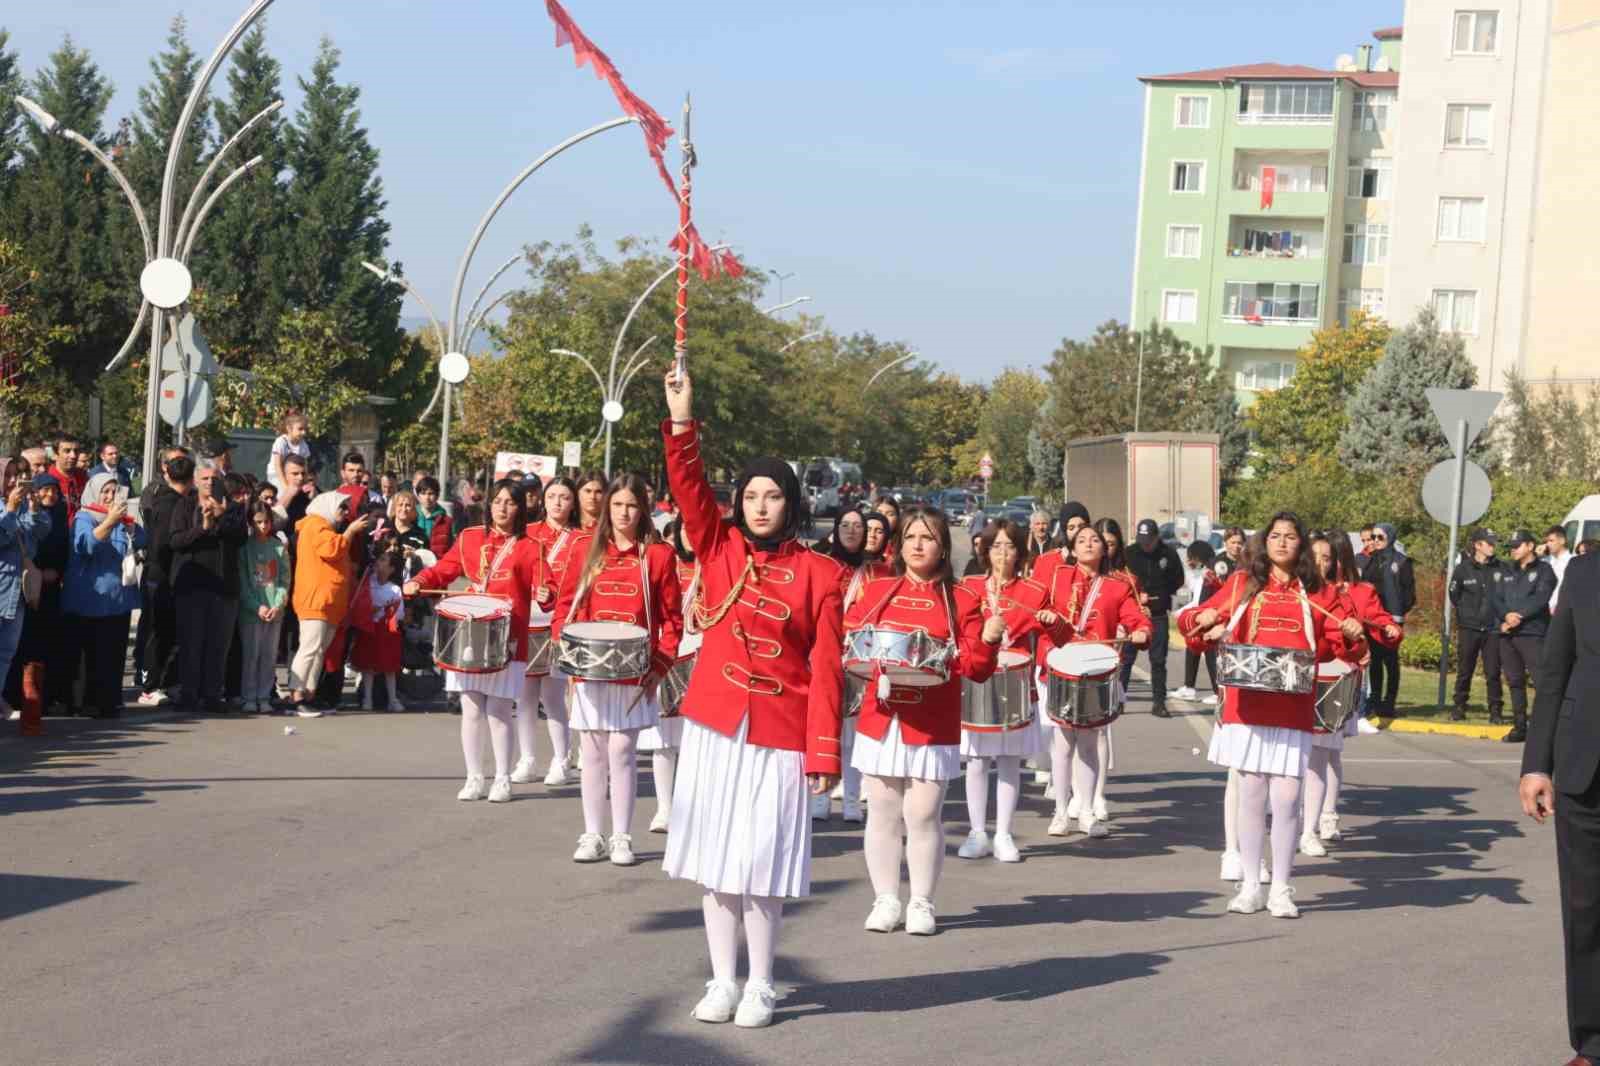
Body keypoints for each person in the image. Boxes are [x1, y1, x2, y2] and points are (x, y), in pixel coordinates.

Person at [660, 368, 845, 1029]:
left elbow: (827, 671)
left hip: (780, 732)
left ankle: (762, 984)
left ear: (792, 504)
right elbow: (687, 485)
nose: (760, 506)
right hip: (715, 725)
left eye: (773, 496)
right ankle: (721, 981)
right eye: (751, 495)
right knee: (716, 860)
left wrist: (824, 750)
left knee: (763, 862)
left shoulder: (821, 574)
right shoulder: (717, 545)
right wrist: (682, 415)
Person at [1178, 512, 1362, 919]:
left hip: (1294, 706)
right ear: (1265, 542)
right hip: (1248, 704)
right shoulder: (1243, 584)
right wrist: (1203, 618)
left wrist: (1350, 633)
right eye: (1275, 536)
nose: (1282, 542)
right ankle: (1250, 884)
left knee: (1288, 798)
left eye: (1290, 536)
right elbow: (1190, 623)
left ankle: (1281, 886)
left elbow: (1337, 648)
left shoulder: (1316, 591)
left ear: (1301, 545)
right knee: (1251, 796)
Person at [847, 506, 1001, 937]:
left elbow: (976, 668)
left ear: (942, 546)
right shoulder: (879, 590)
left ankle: (921, 901)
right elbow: (853, 642)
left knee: (923, 813)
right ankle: (885, 898)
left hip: (933, 720)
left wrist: (989, 639)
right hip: (882, 716)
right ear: (900, 544)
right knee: (881, 810)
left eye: (928, 538)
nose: (918, 545)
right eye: (911, 536)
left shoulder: (963, 599)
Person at [551, 473, 680, 863]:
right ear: (607, 506)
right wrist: (568, 646)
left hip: (634, 673)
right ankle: (592, 833)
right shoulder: (585, 548)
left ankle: (622, 836)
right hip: (590, 670)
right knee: (591, 753)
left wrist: (658, 667)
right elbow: (565, 609)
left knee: (623, 752)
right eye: (618, 504)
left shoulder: (657, 556)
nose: (624, 512)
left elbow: (671, 620)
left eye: (632, 505)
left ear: (643, 510)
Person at [407, 479, 554, 802]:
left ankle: (502, 777)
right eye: (498, 500)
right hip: (471, 631)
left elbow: (547, 587)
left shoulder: (532, 546)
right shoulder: (470, 538)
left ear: (520, 508)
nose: (503, 507)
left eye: (510, 502)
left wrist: (546, 595)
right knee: (471, 707)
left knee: (500, 710)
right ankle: (474, 776)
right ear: (489, 504)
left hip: (508, 635)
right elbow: (444, 570)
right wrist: (419, 580)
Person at [1517, 549, 1600, 1066]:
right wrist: (1536, 764)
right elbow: (1555, 671)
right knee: (1585, 911)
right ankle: (1593, 1044)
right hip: (1584, 769)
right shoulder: (1585, 571)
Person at [1037, 522, 1151, 838]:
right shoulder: (1058, 576)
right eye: (1081, 540)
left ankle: (1086, 810)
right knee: (1061, 745)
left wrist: (1141, 631)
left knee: (1088, 743)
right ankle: (1060, 811)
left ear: (1105, 549)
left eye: (1095, 540)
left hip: (1096, 670)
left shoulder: (1117, 586)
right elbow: (1038, 605)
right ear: (1072, 549)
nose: (1088, 543)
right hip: (1061, 666)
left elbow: (1135, 617)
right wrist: (1044, 616)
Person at [1300, 532, 1399, 857]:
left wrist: (1383, 629)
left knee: (1326, 752)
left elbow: (1378, 621)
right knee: (1305, 754)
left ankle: (1322, 818)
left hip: (1338, 677)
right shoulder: (1300, 589)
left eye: (1329, 557)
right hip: (1301, 676)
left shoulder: (1358, 590)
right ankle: (1304, 815)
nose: (1322, 562)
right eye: (1316, 555)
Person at [956, 518, 1045, 863]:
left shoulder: (1033, 592)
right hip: (979, 678)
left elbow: (1060, 634)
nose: (1003, 553)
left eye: (1010, 546)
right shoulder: (969, 586)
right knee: (977, 761)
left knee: (1010, 761)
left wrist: (1053, 622)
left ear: (1020, 552)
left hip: (1016, 679)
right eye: (996, 546)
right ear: (985, 550)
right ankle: (977, 831)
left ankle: (1004, 832)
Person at [61, 473, 145, 719]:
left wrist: (130, 526)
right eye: (105, 491)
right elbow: (87, 545)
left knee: (113, 655)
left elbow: (143, 538)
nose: (109, 496)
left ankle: (110, 701)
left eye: (113, 491)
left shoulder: (120, 518)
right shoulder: (84, 517)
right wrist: (109, 521)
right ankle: (85, 703)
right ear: (94, 492)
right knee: (91, 657)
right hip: (89, 601)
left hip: (118, 601)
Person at [519, 475, 581, 785]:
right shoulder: (528, 533)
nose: (557, 502)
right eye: (552, 495)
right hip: (527, 620)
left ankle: (561, 759)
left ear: (573, 503)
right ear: (543, 499)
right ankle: (527, 758)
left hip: (560, 623)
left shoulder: (581, 538)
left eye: (564, 497)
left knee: (553, 695)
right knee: (525, 695)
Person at [170, 475, 248, 714]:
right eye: (204, 477)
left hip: (224, 588)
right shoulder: (184, 505)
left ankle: (213, 694)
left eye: (213, 478)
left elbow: (241, 538)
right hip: (193, 586)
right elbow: (175, 541)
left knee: (218, 645)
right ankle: (189, 694)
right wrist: (202, 528)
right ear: (195, 480)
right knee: (191, 644)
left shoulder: (232, 508)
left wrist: (222, 515)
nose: (208, 482)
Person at [815, 507, 871, 821]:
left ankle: (851, 800)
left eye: (857, 526)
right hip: (822, 653)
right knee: (824, 728)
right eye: (845, 525)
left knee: (851, 733)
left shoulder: (874, 570)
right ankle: (819, 798)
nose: (851, 531)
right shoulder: (822, 565)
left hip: (856, 656)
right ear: (835, 530)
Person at [288, 492, 368, 714]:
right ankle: (296, 695)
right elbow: (331, 550)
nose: (344, 514)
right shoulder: (316, 525)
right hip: (316, 600)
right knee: (310, 649)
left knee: (319, 650)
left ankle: (309, 693)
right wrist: (350, 532)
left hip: (328, 602)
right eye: (341, 508)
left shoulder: (326, 528)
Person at [1498, 530, 1559, 744]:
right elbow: (1496, 598)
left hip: (1532, 633)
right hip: (1507, 633)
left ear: (1531, 546)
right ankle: (1519, 726)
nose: (1513, 550)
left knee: (1541, 681)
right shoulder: (1505, 569)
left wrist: (1519, 616)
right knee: (1514, 681)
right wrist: (1506, 616)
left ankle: (1546, 727)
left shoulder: (1545, 570)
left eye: (1517, 545)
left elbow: (1541, 598)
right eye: (1511, 546)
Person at [3, 474, 51, 735]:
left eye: (20, 475)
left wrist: (32, 508)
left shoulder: (23, 506)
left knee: (6, 654)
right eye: (10, 475)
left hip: (18, 591)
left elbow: (40, 533)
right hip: (2, 585)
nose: (17, 481)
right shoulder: (7, 506)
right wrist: (9, 508)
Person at [1125, 518, 1182, 718]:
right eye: (1142, 539)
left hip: (1158, 614)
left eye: (1149, 540)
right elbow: (1121, 580)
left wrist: (1163, 595)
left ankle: (1159, 703)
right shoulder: (1130, 553)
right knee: (1127, 659)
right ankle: (1119, 700)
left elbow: (1178, 579)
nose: (1145, 544)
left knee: (1158, 661)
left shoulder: (1168, 554)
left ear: (1157, 537)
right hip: (1134, 614)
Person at [1449, 529, 1507, 723]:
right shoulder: (1463, 569)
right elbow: (1454, 596)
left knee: (1493, 672)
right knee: (1465, 669)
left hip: (1493, 628)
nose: (1493, 546)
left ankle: (1495, 709)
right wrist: (1466, 614)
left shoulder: (1501, 568)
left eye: (1494, 543)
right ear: (1477, 545)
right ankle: (1459, 706)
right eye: (1489, 543)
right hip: (1469, 628)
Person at [237, 501, 290, 714]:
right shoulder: (244, 549)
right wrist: (255, 606)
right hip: (252, 612)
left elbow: (285, 579)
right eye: (258, 522)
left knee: (269, 656)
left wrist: (278, 604)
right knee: (251, 655)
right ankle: (249, 696)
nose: (263, 526)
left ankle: (264, 695)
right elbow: (242, 582)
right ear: (251, 522)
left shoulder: (277, 547)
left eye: (267, 521)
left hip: (274, 610)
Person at [1360, 522, 1414, 717]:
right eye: (1373, 537)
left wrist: (1397, 612)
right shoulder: (1371, 560)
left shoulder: (1401, 562)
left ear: (1390, 537)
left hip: (1392, 618)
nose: (1375, 541)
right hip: (1372, 619)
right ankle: (1374, 699)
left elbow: (1410, 594)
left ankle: (1389, 702)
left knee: (1390, 661)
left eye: (1379, 537)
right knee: (1374, 660)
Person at [351, 548, 405, 712]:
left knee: (389, 666)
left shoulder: (394, 589)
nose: (378, 563)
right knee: (367, 666)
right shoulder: (367, 584)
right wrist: (368, 610)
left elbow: (399, 613)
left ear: (391, 569)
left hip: (387, 631)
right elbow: (358, 604)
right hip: (369, 629)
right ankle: (367, 698)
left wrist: (387, 611)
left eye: (383, 561)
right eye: (379, 559)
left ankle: (392, 699)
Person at [1172, 540, 1221, 706]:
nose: (1189, 562)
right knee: (1193, 649)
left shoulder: (1209, 574)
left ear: (1198, 558)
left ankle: (1217, 692)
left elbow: (1199, 602)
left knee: (1210, 655)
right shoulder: (1210, 571)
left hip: (1208, 619)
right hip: (1208, 617)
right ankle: (1189, 687)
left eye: (1191, 558)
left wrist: (1179, 614)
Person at [47, 435, 87, 523]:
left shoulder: (84, 476)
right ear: (55, 454)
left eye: (76, 451)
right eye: (67, 451)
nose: (73, 456)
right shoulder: (47, 479)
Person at [1544, 525, 1574, 607]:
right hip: (1543, 611)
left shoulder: (1573, 562)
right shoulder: (1544, 562)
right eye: (1546, 541)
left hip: (1562, 610)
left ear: (1562, 541)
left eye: (1551, 541)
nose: (1548, 544)